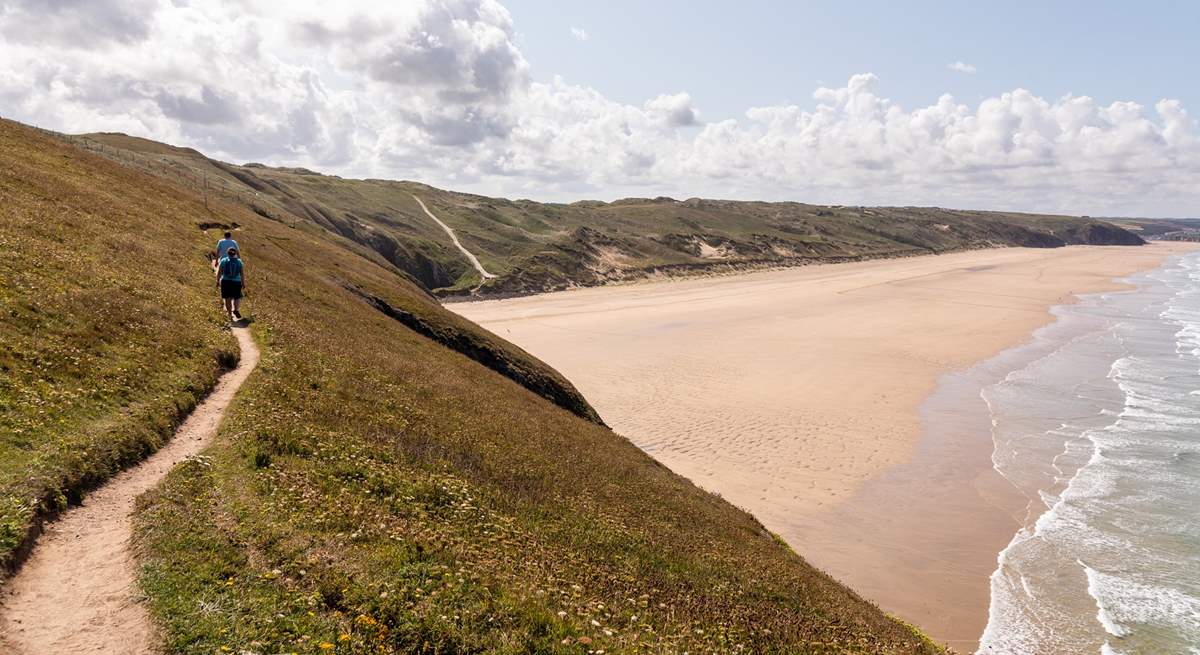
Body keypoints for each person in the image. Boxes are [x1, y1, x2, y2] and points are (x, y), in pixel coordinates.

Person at [215, 247, 245, 322]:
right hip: (236, 282)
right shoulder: (239, 262)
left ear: (227, 253)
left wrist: (217, 281)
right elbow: (241, 273)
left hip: (225, 281)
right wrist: (243, 283)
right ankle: (236, 309)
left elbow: (219, 272)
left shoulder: (223, 260)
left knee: (227, 298)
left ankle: (229, 314)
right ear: (235, 253)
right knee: (237, 297)